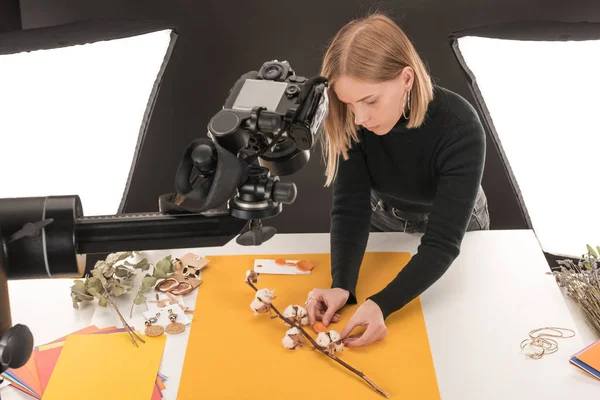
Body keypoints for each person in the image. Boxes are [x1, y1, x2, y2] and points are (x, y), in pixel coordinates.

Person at [304, 12, 490, 348]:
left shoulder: (461, 126)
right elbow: (350, 207)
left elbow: (442, 243)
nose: (360, 118)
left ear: (406, 78)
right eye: (348, 103)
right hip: (384, 215)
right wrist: (342, 284)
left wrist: (381, 304)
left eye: (370, 101)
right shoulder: (354, 120)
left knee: (458, 330)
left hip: (458, 222)